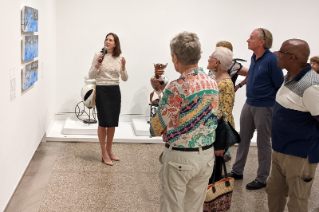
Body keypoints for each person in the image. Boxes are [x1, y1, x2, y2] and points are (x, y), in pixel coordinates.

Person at [150, 31, 219, 212]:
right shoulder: (212, 82)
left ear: (175, 57)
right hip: (206, 155)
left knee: (172, 207)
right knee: (194, 208)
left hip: (180, 157)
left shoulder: (177, 86)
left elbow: (157, 126)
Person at [265, 39, 319, 212]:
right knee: (274, 191)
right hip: (280, 150)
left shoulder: (311, 86)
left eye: (281, 52)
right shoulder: (288, 76)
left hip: (300, 154)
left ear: (293, 58)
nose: (277, 55)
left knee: (297, 201)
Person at [228, 28, 284, 190]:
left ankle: (262, 178)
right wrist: (239, 85)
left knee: (263, 142)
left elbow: (279, 85)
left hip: (265, 107)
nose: (247, 40)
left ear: (262, 41)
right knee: (243, 138)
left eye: (251, 38)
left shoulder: (272, 60)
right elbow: (251, 75)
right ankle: (237, 171)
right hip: (249, 104)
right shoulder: (254, 57)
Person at [88, 33, 128, 166]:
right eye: (106, 39)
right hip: (102, 90)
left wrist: (123, 67)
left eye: (110, 40)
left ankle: (110, 150)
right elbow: (91, 74)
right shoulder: (98, 56)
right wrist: (98, 65)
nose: (107, 41)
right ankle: (104, 153)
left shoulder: (119, 57)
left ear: (116, 43)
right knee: (103, 122)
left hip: (114, 91)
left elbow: (125, 78)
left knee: (112, 123)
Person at [215, 41, 249, 162]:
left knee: (226, 119)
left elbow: (250, 73)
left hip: (226, 95)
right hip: (217, 93)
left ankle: (226, 150)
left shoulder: (234, 65)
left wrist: (238, 85)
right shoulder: (215, 62)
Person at [207, 46, 235, 183]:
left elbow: (225, 115)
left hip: (216, 136)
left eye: (210, 57)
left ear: (217, 62)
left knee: (213, 178)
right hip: (210, 133)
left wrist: (220, 144)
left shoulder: (226, 84)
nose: (208, 59)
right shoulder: (215, 80)